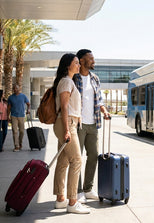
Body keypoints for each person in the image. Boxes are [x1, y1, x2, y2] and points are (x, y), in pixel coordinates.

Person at [53, 53, 90, 214]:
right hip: (67, 123)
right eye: (76, 63)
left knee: (63, 161)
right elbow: (65, 106)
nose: (78, 65)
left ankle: (61, 199)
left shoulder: (67, 81)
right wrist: (68, 129)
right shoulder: (67, 81)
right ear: (68, 65)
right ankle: (72, 202)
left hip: (66, 123)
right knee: (76, 160)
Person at [73, 49, 110, 203]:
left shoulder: (95, 78)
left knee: (93, 156)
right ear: (81, 61)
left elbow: (99, 99)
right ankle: (78, 191)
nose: (93, 61)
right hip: (78, 124)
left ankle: (88, 188)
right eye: (91, 59)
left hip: (93, 123)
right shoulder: (74, 78)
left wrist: (105, 111)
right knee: (77, 158)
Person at [7, 84, 30, 152]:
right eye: (14, 89)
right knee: (14, 131)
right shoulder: (10, 97)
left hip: (21, 116)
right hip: (13, 116)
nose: (15, 90)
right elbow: (9, 108)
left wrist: (28, 110)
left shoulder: (23, 96)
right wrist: (8, 116)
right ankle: (16, 146)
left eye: (16, 88)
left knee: (22, 131)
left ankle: (20, 143)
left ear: (19, 88)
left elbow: (28, 104)